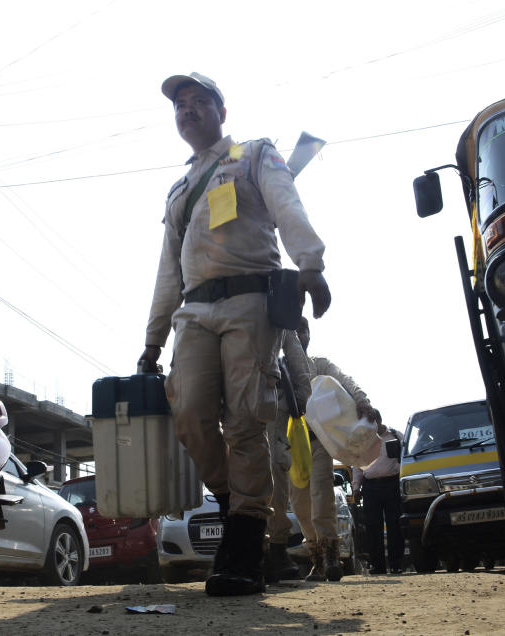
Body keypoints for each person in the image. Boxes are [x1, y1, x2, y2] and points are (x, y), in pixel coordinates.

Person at [138, 72, 331, 596]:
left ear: (222, 111)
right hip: (194, 311)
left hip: (251, 301)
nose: (188, 111)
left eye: (199, 102)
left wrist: (309, 262)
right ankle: (235, 507)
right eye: (180, 105)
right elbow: (167, 269)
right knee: (191, 417)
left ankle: (245, 542)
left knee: (247, 420)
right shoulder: (180, 186)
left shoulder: (253, 154)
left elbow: (286, 201)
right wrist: (153, 340)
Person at [289, 317, 381, 582]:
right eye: (293, 332)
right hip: (292, 444)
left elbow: (347, 381)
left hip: (319, 442)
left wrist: (363, 402)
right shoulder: (279, 368)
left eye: (302, 331)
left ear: (308, 335)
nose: (298, 335)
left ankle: (330, 557)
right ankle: (316, 559)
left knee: (322, 496)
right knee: (299, 503)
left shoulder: (321, 365)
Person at [264, 329, 312, 583]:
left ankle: (277, 549)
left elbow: (291, 343)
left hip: (272, 396)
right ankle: (253, 550)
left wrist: (302, 393)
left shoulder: (276, 292)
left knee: (274, 470)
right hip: (237, 390)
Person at [353, 424, 404, 574]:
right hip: (370, 487)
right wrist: (356, 488)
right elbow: (357, 466)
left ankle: (396, 565)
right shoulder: (362, 442)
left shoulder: (396, 436)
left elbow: (406, 458)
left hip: (393, 484)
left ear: (378, 422)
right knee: (372, 527)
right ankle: (378, 566)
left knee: (395, 525)